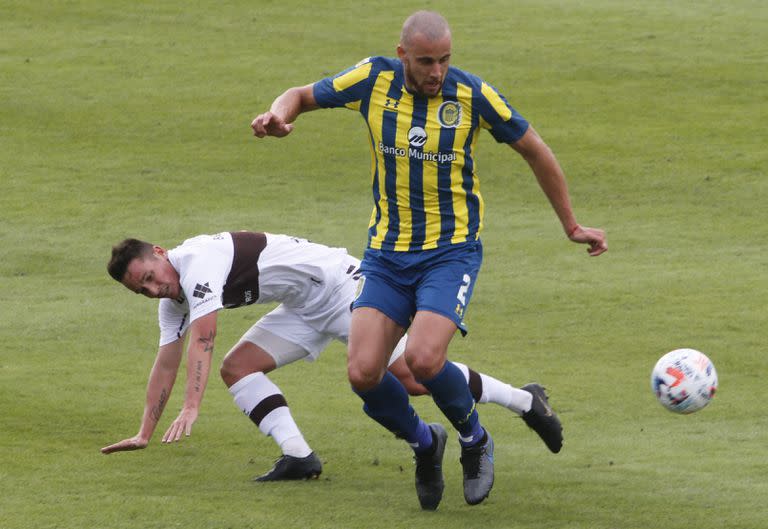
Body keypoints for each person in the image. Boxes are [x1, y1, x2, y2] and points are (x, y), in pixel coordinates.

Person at [251, 10, 607, 509]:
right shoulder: (373, 79)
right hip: (386, 256)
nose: (436, 71)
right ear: (402, 56)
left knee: (422, 359)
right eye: (425, 61)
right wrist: (278, 115)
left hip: (450, 253)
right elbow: (301, 95)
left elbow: (536, 150)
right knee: (363, 372)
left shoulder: (473, 95)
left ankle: (473, 438)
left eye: (444, 60)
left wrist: (572, 224)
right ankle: (425, 442)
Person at [101, 231, 563, 482]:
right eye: (138, 289)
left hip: (341, 288)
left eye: (149, 275)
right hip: (302, 308)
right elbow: (167, 360)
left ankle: (526, 400)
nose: (152, 288)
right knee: (238, 368)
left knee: (412, 376)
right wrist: (144, 432)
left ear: (160, 253)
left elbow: (203, 338)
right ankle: (299, 457)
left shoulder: (197, 262)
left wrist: (192, 405)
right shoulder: (171, 300)